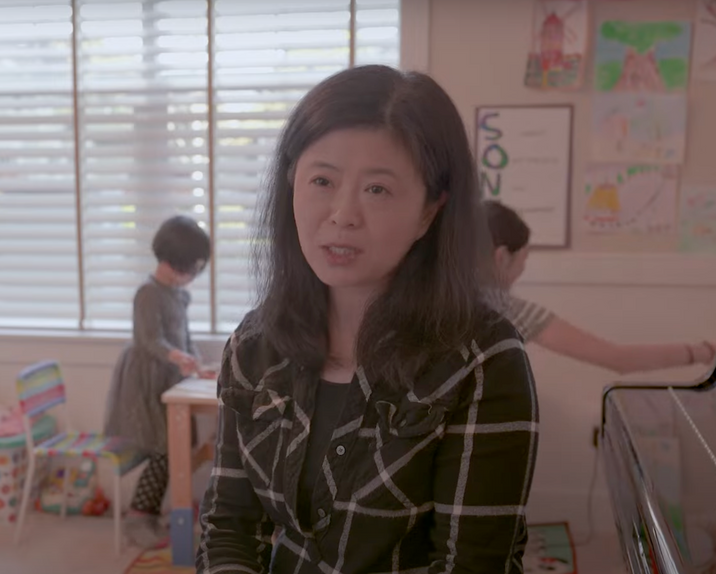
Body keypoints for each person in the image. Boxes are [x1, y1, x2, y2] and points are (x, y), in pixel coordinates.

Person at [197, 65, 539, 573]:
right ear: (292, 183)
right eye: (321, 180)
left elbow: (468, 565)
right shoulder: (254, 344)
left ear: (430, 211)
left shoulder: (483, 360)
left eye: (377, 189)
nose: (342, 214)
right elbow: (229, 527)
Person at [484, 200, 716, 374]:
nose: (522, 271)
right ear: (502, 257)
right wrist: (705, 352)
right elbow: (619, 359)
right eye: (523, 260)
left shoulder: (451, 295)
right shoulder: (506, 309)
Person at [104, 214, 216, 549]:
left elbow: (183, 336)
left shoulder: (178, 294)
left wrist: (195, 363)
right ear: (175, 263)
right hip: (145, 381)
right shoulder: (148, 293)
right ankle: (140, 516)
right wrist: (180, 358)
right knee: (163, 446)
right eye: (193, 268)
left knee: (173, 446)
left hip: (168, 376)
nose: (193, 276)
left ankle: (149, 513)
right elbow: (149, 340)